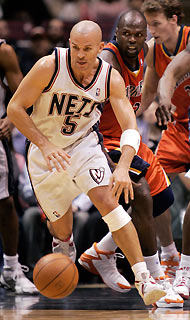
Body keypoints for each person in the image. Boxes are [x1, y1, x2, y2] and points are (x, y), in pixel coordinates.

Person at [7, 20, 166, 306]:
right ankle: (64, 246)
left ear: (100, 47)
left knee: (110, 203)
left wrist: (122, 166)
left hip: (83, 146)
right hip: (45, 154)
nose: (80, 54)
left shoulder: (109, 77)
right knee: (63, 230)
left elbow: (130, 125)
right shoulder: (49, 66)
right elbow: (15, 108)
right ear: (68, 42)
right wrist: (45, 144)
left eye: (87, 49)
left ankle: (145, 280)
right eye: (75, 47)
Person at [78, 10, 183, 308]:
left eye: (139, 34)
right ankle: (156, 278)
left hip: (128, 137)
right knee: (142, 197)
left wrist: (160, 102)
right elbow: (89, 112)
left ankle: (101, 252)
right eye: (127, 34)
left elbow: (147, 86)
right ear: (117, 34)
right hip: (102, 139)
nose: (133, 40)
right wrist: (96, 155)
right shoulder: (108, 61)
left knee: (163, 201)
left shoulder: (146, 52)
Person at [138, 0, 189, 279]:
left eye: (155, 24)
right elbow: (147, 93)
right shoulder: (153, 50)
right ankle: (169, 254)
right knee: (151, 185)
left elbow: (171, 74)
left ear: (174, 19)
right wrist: (126, 117)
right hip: (179, 126)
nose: (151, 30)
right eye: (148, 24)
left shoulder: (189, 37)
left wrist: (165, 101)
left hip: (182, 119)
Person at [148, 43, 190, 299]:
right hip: (181, 131)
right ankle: (178, 265)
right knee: (152, 188)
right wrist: (163, 100)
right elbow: (169, 74)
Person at [0, 40, 38, 294]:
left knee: (5, 204)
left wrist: (11, 121)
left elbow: (25, 97)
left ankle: (11, 269)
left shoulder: (3, 51)